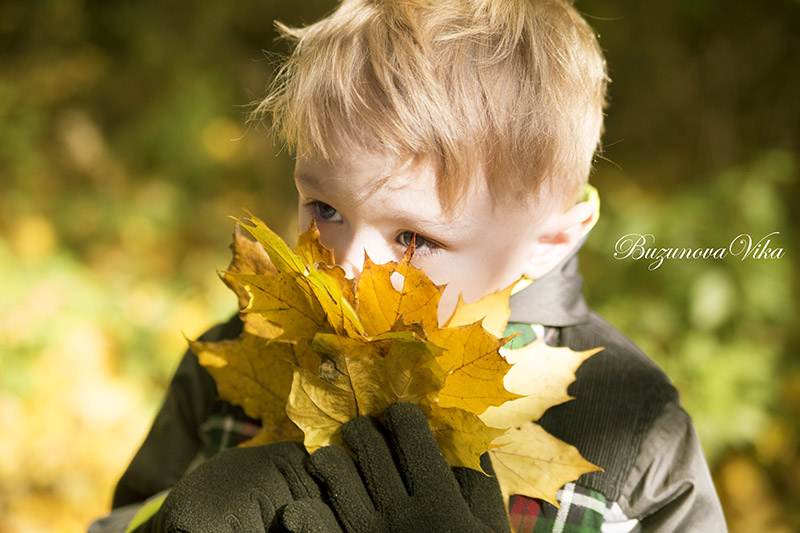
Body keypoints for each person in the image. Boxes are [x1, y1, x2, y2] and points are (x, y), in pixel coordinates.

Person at [91, 0, 727, 531]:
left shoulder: (629, 430)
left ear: (550, 239)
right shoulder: (241, 354)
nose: (347, 267)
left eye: (415, 239)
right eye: (324, 207)